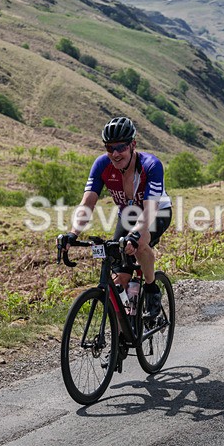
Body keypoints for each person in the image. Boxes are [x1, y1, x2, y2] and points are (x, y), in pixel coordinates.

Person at [63, 116, 172, 320]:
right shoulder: (102, 165)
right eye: (109, 147)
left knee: (139, 243)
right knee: (119, 276)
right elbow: (87, 203)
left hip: (157, 212)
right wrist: (72, 233)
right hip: (128, 215)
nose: (115, 153)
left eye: (120, 147)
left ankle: (151, 289)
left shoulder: (150, 165)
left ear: (133, 145)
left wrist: (135, 234)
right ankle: (122, 333)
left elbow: (149, 211)